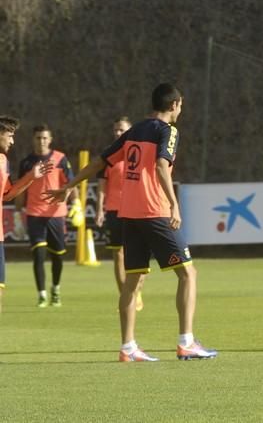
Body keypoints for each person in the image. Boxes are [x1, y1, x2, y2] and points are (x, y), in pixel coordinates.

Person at [45, 83, 217, 362]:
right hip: (154, 211)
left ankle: (128, 347)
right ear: (174, 105)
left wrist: (69, 185)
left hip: (129, 214)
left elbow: (101, 162)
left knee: (133, 280)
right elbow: (162, 165)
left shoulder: (134, 131)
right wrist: (174, 203)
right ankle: (186, 342)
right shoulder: (168, 131)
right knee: (188, 274)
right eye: (181, 105)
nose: (181, 110)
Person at [15, 124, 80, 308]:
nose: (41, 141)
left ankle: (56, 289)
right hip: (34, 214)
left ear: (50, 140)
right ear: (33, 139)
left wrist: (76, 203)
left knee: (58, 256)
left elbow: (70, 183)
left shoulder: (60, 159)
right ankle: (42, 294)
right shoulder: (26, 163)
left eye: (44, 138)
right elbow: (20, 190)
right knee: (38, 254)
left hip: (56, 214)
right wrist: (18, 215)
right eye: (38, 138)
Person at [0, 116, 53, 313]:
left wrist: (31, 176)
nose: (12, 141)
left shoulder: (3, 161)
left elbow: (7, 195)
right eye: (10, 135)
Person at [96, 116, 144, 311]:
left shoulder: (140, 152)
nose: (118, 133)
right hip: (114, 209)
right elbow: (101, 186)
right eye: (116, 130)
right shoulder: (109, 156)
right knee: (119, 255)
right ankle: (125, 297)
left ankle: (136, 290)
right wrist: (100, 209)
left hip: (136, 208)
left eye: (122, 129)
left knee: (140, 253)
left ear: (130, 131)